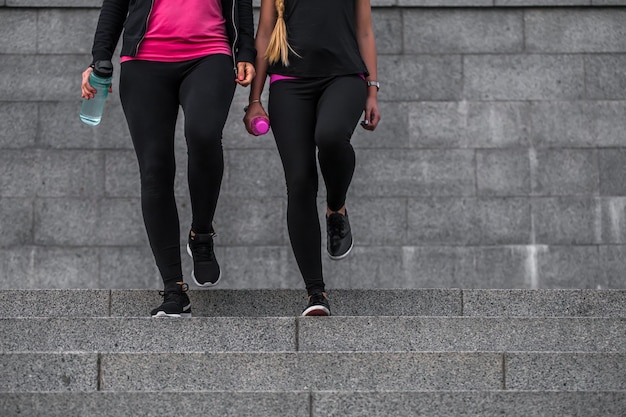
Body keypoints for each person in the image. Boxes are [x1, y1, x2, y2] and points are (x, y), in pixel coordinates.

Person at [81, 0, 256, 317]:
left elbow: (241, 4)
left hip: (210, 53)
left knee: (203, 134)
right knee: (154, 169)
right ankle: (174, 289)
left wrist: (246, 52)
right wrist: (99, 57)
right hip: (143, 61)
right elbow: (114, 6)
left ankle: (201, 233)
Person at [244, 0, 380, 316]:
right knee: (300, 182)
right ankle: (315, 292)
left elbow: (364, 31)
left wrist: (372, 91)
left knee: (330, 136)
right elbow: (264, 35)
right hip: (288, 84)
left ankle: (336, 206)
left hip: (345, 75)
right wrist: (254, 99)